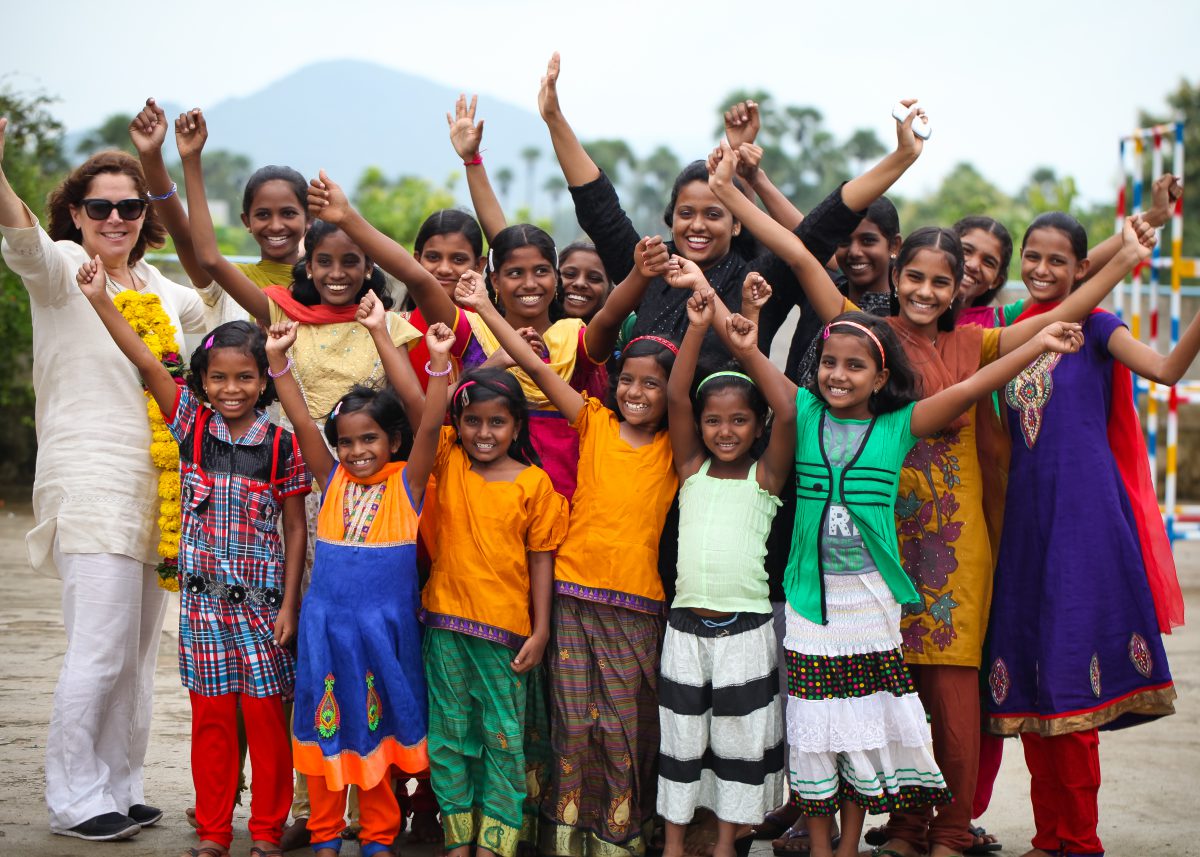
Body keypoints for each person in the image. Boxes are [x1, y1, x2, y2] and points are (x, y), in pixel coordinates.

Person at [708, 133, 1159, 857]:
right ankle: (908, 824)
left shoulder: (981, 345)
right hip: (880, 544)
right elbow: (799, 253)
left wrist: (1123, 256)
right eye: (913, 277)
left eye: (940, 283)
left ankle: (949, 827)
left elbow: (1055, 317)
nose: (924, 292)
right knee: (890, 689)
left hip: (956, 543)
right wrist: (732, 193)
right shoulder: (868, 334)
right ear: (900, 277)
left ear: (960, 291)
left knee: (952, 694)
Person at [0, 117, 207, 841]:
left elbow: (213, 292)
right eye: (100, 207)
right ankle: (72, 797)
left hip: (160, 488)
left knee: (138, 651)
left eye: (129, 206)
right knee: (97, 645)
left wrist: (178, 168)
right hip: (88, 480)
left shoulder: (162, 288)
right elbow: (22, 237)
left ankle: (119, 784)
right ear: (76, 213)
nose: (115, 218)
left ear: (144, 215)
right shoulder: (61, 270)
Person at [80, 265, 310, 857]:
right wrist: (100, 298)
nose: (231, 389)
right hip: (204, 610)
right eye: (218, 379)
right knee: (210, 725)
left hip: (264, 615)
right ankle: (213, 833)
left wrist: (291, 606)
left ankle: (264, 834)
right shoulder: (191, 427)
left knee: (266, 728)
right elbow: (152, 365)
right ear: (203, 383)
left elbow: (293, 526)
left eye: (244, 378)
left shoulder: (281, 443)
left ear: (263, 382)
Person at [985, 211, 1194, 857]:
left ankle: (1079, 840)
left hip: (1082, 527)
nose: (1043, 269)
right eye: (1033, 256)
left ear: (1081, 268)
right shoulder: (1009, 327)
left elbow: (1163, 369)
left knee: (1073, 676)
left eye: (1058, 260)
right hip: (1019, 530)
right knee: (1029, 682)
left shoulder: (1099, 327)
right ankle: (1050, 837)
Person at [454, 269, 677, 857]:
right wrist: (482, 305)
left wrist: (702, 324)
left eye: (652, 384)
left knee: (622, 729)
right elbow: (538, 370)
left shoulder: (676, 448)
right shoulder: (594, 421)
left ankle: (617, 836)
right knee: (572, 723)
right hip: (574, 597)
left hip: (636, 608)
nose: (635, 391)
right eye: (626, 379)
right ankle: (568, 838)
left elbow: (682, 398)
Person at [266, 302, 438, 857]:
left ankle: (379, 834)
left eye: (369, 440)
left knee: (377, 730)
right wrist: (278, 362)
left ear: (391, 441)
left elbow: (432, 423)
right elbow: (299, 419)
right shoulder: (331, 479)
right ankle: (324, 833)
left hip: (383, 638)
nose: (357, 452)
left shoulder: (407, 486)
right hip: (326, 631)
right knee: (323, 729)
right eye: (346, 442)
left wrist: (433, 364)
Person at [657, 272, 793, 857]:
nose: (725, 430)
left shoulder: (766, 479)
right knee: (680, 742)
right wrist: (695, 329)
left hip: (747, 631)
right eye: (714, 420)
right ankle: (674, 842)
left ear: (757, 427)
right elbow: (675, 397)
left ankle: (725, 847)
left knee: (740, 744)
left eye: (740, 421)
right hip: (684, 629)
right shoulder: (691, 470)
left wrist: (747, 349)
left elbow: (788, 410)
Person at [416, 346, 568, 857]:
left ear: (517, 427)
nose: (484, 432)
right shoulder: (448, 460)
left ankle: (495, 844)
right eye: (473, 421)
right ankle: (459, 840)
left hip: (505, 634)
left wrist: (541, 629)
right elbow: (431, 410)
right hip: (444, 625)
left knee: (503, 740)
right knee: (449, 738)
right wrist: (497, 361)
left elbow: (542, 559)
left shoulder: (535, 484)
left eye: (497, 422)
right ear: (459, 425)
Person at [128, 98, 308, 329]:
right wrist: (154, 156)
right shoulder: (227, 282)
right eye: (263, 215)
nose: (275, 225)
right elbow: (184, 238)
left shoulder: (327, 284)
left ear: (309, 220)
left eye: (288, 213)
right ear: (247, 221)